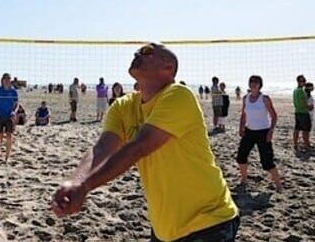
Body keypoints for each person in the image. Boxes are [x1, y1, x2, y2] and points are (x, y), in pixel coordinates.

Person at [51, 43, 239, 242]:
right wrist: (75, 181)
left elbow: (139, 147)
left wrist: (86, 186)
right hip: (165, 229)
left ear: (168, 68)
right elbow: (101, 149)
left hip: (210, 220)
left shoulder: (179, 95)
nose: (137, 54)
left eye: (147, 52)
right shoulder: (123, 106)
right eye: (138, 51)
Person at [236, 75, 282, 192]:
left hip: (263, 132)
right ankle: (244, 179)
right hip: (249, 131)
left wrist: (271, 131)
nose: (253, 83)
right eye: (251, 81)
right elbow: (244, 114)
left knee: (267, 162)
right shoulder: (245, 98)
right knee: (241, 156)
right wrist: (241, 127)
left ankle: (278, 184)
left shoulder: (264, 98)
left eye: (256, 82)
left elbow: (274, 116)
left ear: (260, 84)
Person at [0, 73, 18, 162]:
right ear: (2, 80)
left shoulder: (13, 92)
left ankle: (7, 156)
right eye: (5, 79)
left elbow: (15, 104)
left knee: (9, 135)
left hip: (9, 116)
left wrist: (13, 111)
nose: (7, 80)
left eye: (8, 79)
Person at [293, 75, 311, 151]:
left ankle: (295, 144)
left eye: (304, 81)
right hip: (303, 112)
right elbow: (303, 103)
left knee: (297, 129)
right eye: (302, 81)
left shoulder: (295, 90)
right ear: (298, 82)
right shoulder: (300, 91)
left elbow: (295, 102)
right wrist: (309, 106)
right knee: (305, 130)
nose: (303, 82)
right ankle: (306, 145)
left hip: (297, 112)